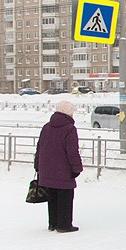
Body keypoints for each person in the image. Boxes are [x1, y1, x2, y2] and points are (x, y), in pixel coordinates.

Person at [34, 99, 84, 233]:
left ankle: (53, 223)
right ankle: (64, 225)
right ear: (68, 113)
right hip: (63, 170)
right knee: (65, 196)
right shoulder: (69, 129)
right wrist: (76, 168)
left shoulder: (46, 127)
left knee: (52, 197)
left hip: (47, 169)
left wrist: (37, 165)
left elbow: (40, 148)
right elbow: (72, 151)